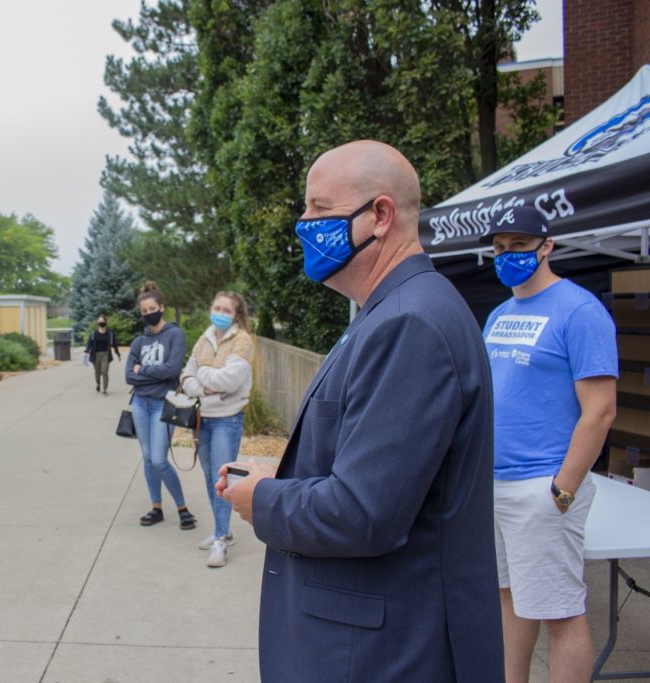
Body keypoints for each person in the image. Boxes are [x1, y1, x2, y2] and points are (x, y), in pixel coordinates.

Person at [218, 140, 504, 681]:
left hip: (382, 656)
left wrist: (262, 498)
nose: (303, 223)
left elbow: (362, 513)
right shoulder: (389, 312)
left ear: (379, 216)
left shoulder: (410, 324)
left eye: (319, 209)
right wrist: (280, 475)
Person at [480, 206, 617, 683]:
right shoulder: (498, 315)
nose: (507, 256)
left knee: (560, 613)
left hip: (543, 487)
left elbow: (600, 410)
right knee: (509, 599)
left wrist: (563, 490)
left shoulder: (580, 311)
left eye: (518, 245)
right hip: (495, 484)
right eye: (499, 248)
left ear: (546, 246)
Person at [180, 292, 254, 568]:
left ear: (236, 314)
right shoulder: (205, 337)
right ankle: (222, 530)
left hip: (227, 419)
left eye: (227, 309)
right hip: (203, 419)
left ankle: (220, 540)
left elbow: (231, 379)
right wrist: (206, 384)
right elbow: (186, 375)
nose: (220, 312)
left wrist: (202, 376)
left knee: (222, 480)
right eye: (217, 307)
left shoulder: (242, 341)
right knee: (210, 478)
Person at [125, 281, 197, 530]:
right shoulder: (138, 342)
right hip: (140, 404)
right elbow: (128, 376)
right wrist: (154, 373)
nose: (148, 314)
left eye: (152, 309)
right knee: (147, 458)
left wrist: (142, 370)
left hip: (162, 405)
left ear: (161, 307)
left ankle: (182, 508)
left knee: (159, 459)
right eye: (144, 311)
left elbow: (173, 370)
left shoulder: (175, 335)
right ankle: (156, 507)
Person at [84, 314, 121, 395]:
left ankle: (104, 389)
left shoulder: (109, 334)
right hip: (95, 355)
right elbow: (89, 342)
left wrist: (118, 353)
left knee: (104, 371)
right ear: (97, 322)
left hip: (106, 354)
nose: (101, 322)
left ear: (105, 322)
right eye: (99, 321)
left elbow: (115, 344)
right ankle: (98, 384)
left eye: (102, 321)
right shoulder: (94, 333)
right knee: (97, 372)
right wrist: (86, 351)